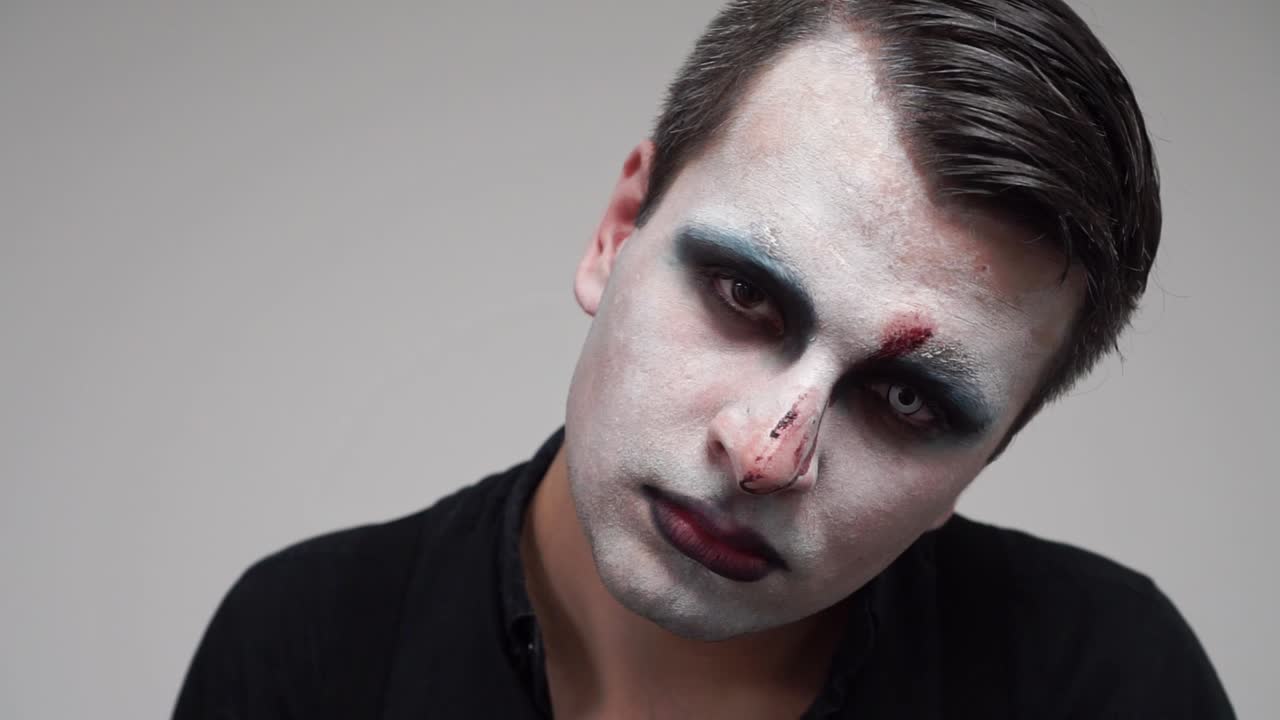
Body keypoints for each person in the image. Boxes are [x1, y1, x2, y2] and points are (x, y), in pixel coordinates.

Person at [174, 1, 1235, 717]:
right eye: (744, 294)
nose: (766, 454)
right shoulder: (308, 649)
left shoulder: (1108, 683)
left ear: (989, 456)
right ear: (615, 230)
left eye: (908, 397)